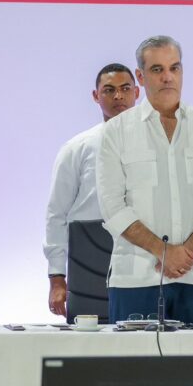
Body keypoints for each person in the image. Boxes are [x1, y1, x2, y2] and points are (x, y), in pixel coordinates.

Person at [96, 36, 193, 325]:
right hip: (135, 278)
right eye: (157, 69)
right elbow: (113, 206)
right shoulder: (117, 131)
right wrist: (164, 253)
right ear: (141, 76)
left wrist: (186, 253)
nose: (168, 77)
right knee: (131, 369)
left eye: (174, 67)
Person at [45, 63, 139, 317]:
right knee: (91, 347)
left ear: (137, 93)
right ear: (96, 96)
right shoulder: (78, 148)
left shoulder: (158, 147)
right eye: (109, 90)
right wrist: (57, 278)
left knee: (145, 345)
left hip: (144, 252)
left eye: (125, 88)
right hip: (90, 253)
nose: (118, 96)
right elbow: (56, 213)